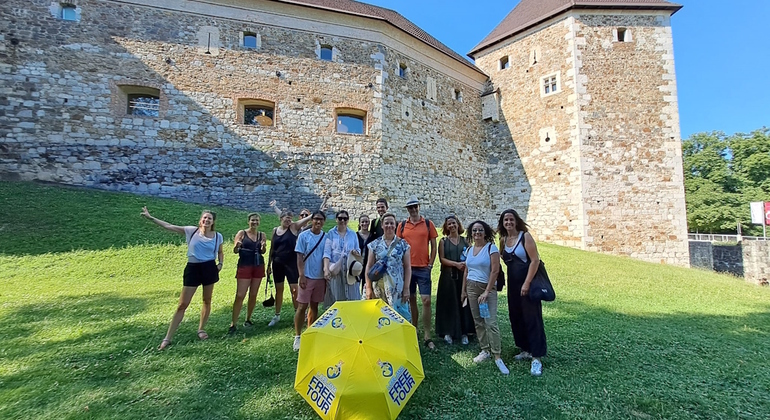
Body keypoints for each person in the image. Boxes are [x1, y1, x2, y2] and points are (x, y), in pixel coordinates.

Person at [141, 207, 224, 350]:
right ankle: (167, 338)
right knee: (182, 304)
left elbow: (220, 252)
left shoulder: (218, 236)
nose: (207, 220)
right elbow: (169, 226)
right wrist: (150, 217)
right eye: (205, 217)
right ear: (201, 220)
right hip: (193, 269)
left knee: (207, 300)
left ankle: (201, 329)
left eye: (209, 218)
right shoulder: (191, 231)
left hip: (209, 268)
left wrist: (220, 263)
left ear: (213, 222)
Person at [498, 209, 547, 376]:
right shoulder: (504, 239)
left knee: (532, 318)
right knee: (516, 316)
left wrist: (526, 283)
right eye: (506, 220)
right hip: (513, 284)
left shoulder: (525, 237)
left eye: (511, 219)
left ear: (516, 221)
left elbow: (535, 260)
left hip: (528, 284)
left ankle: (536, 357)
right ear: (502, 223)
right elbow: (504, 258)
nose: (509, 222)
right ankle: (525, 349)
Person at [461, 220, 509, 375]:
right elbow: (466, 271)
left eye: (480, 230)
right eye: (474, 231)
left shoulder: (491, 248)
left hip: (486, 288)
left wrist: (487, 292)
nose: (477, 233)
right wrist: (464, 291)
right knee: (478, 321)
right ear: (471, 233)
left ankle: (497, 355)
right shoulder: (469, 249)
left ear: (486, 232)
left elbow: (495, 272)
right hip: (471, 288)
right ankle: (484, 350)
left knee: (491, 322)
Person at [397, 196, 438, 350]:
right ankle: (413, 329)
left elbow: (433, 245)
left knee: (426, 301)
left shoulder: (428, 224)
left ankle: (427, 334)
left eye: (415, 206)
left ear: (419, 207)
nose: (413, 209)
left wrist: (431, 263)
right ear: (407, 210)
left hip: (423, 268)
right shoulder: (402, 226)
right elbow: (398, 246)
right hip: (407, 268)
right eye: (410, 207)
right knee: (411, 300)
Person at [266, 209, 312, 325]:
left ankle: (298, 314)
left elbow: (309, 218)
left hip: (291, 263)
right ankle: (277, 315)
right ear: (281, 219)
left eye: (291, 219)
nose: (289, 221)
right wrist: (268, 265)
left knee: (294, 290)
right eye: (287, 219)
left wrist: (319, 210)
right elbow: (272, 248)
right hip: (277, 263)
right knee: (279, 290)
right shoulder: (275, 230)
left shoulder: (294, 228)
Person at [435, 215, 474, 345]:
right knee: (448, 304)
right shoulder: (443, 241)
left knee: (463, 303)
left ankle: (464, 332)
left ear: (458, 224)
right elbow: (442, 259)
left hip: (463, 276)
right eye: (449, 224)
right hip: (448, 277)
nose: (451, 226)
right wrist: (456, 264)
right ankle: (448, 332)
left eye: (453, 223)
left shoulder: (466, 241)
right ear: (446, 227)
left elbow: (471, 256)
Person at [293, 211, 327, 351]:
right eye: (316, 219)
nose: (318, 222)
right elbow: (299, 257)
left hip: (320, 277)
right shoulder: (303, 236)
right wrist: (301, 275)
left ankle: (310, 332)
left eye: (321, 220)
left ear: (324, 222)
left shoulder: (326, 237)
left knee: (314, 306)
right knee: (302, 306)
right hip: (307, 276)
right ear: (311, 220)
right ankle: (298, 336)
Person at [365, 213, 411, 312]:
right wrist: (368, 287)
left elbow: (407, 267)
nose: (389, 226)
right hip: (378, 287)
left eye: (391, 223)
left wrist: (406, 288)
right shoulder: (374, 244)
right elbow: (369, 266)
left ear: (395, 225)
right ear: (382, 225)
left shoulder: (404, 245)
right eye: (386, 223)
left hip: (397, 288)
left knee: (398, 317)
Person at [229, 213, 267, 333]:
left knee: (253, 294)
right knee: (240, 295)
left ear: (259, 222)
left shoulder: (262, 235)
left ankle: (248, 319)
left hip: (258, 266)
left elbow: (263, 251)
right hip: (245, 265)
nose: (254, 222)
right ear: (248, 221)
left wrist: (263, 247)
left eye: (256, 220)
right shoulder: (242, 233)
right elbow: (235, 250)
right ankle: (233, 323)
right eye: (252, 220)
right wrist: (237, 245)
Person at [323, 210, 362, 305]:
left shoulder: (353, 234)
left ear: (348, 220)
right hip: (336, 270)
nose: (342, 221)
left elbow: (358, 250)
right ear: (336, 219)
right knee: (336, 298)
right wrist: (326, 269)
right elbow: (327, 252)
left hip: (350, 270)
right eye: (340, 218)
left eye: (345, 218)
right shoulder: (331, 233)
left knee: (352, 299)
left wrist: (355, 252)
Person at [356, 214, 372, 295]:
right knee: (355, 286)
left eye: (366, 222)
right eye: (362, 222)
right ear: (359, 223)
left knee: (366, 287)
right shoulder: (355, 236)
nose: (364, 224)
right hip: (357, 265)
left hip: (368, 265)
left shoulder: (373, 236)